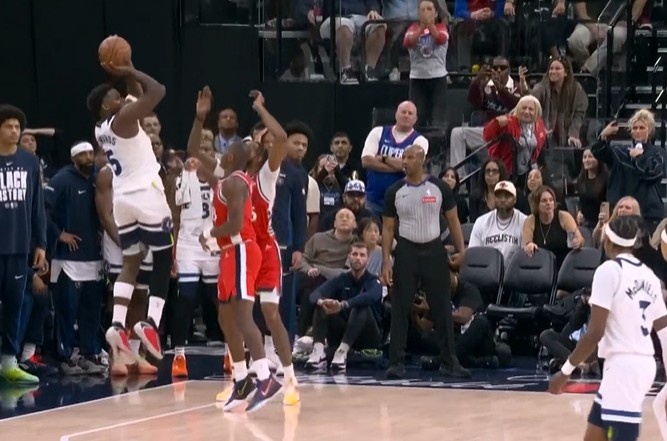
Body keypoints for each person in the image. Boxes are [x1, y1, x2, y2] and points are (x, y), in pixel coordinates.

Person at [549, 215, 667, 441]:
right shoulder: (649, 276)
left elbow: (595, 332)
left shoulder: (608, 271)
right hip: (641, 365)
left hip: (624, 367)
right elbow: (665, 333)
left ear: (608, 241)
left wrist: (565, 372)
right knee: (594, 435)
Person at [87, 62, 171, 373]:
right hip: (146, 194)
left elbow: (136, 96)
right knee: (164, 257)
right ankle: (151, 323)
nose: (120, 98)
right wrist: (133, 69)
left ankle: (117, 324)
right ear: (104, 105)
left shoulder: (101, 128)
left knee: (132, 262)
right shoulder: (122, 119)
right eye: (114, 96)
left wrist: (128, 75)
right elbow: (158, 91)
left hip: (123, 199)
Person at [201, 141, 282, 412]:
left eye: (224, 152)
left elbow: (235, 224)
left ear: (231, 156)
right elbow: (192, 149)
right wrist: (199, 120)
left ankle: (265, 379)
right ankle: (241, 379)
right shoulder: (225, 181)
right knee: (225, 317)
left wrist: (209, 234)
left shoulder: (236, 182)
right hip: (229, 252)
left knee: (243, 315)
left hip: (242, 250)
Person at [381, 145, 469, 379]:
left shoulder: (440, 187)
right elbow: (387, 228)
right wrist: (386, 261)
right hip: (406, 251)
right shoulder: (394, 191)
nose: (405, 161)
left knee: (441, 307)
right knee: (400, 307)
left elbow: (453, 220)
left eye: (411, 157)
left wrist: (461, 250)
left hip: (434, 250)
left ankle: (449, 362)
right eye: (404, 157)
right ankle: (396, 363)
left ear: (423, 160)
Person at [243, 91, 300, 405]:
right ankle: (243, 377)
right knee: (236, 314)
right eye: (253, 141)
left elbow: (280, 137)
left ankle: (289, 379)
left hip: (265, 250)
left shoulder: (267, 174)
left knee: (270, 314)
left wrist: (261, 109)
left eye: (258, 141)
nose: (256, 143)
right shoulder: (234, 178)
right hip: (241, 249)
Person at [44, 141, 106, 375]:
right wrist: (58, 234)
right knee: (66, 311)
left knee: (91, 311)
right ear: (73, 158)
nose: (88, 157)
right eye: (83, 154)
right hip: (67, 260)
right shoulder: (61, 179)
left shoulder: (98, 179)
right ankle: (65, 355)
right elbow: (42, 209)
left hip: (94, 257)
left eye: (91, 153)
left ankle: (89, 353)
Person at [95, 163, 157, 376]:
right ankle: (117, 354)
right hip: (118, 240)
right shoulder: (107, 173)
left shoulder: (149, 169)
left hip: (144, 237)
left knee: (140, 296)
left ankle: (135, 353)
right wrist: (125, 242)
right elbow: (105, 215)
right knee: (120, 298)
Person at [0, 104, 47, 384]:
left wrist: (40, 243)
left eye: (18, 126)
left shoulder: (29, 161)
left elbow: (37, 206)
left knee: (14, 306)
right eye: (8, 126)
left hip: (19, 247)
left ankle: (8, 361)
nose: (14, 131)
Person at [306, 242, 384, 371]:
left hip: (368, 334)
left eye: (362, 255)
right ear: (349, 257)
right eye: (355, 254)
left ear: (367, 259)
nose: (358, 258)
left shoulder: (373, 281)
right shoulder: (341, 279)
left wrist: (343, 305)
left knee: (361, 305)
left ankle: (342, 351)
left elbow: (370, 296)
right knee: (323, 306)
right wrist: (322, 302)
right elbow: (315, 294)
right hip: (343, 329)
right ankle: (318, 351)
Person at [469, 180, 527, 263]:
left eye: (507, 196)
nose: (502, 200)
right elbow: (473, 254)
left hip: (514, 270)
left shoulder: (524, 222)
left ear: (515, 199)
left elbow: (525, 257)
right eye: (499, 196)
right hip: (487, 268)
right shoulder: (481, 221)